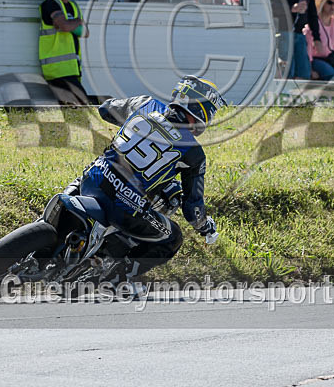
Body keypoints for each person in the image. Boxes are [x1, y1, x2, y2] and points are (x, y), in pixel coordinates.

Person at [75, 76, 225, 287]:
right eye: (211, 111)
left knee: (88, 175)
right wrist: (204, 227)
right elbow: (193, 208)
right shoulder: (194, 153)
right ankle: (116, 280)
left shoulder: (145, 104)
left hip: (92, 179)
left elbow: (105, 109)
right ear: (199, 109)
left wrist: (133, 123)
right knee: (173, 238)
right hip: (124, 208)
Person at [39, 0, 91, 105]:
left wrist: (70, 24)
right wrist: (77, 22)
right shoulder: (50, 3)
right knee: (82, 104)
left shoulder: (73, 6)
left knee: (71, 108)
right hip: (56, 70)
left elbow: (85, 33)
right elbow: (65, 26)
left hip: (72, 69)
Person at [268, 0, 321, 79]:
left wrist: (317, 38)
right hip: (282, 33)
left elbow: (312, 14)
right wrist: (291, 8)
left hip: (299, 34)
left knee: (304, 72)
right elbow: (270, 5)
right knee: (287, 71)